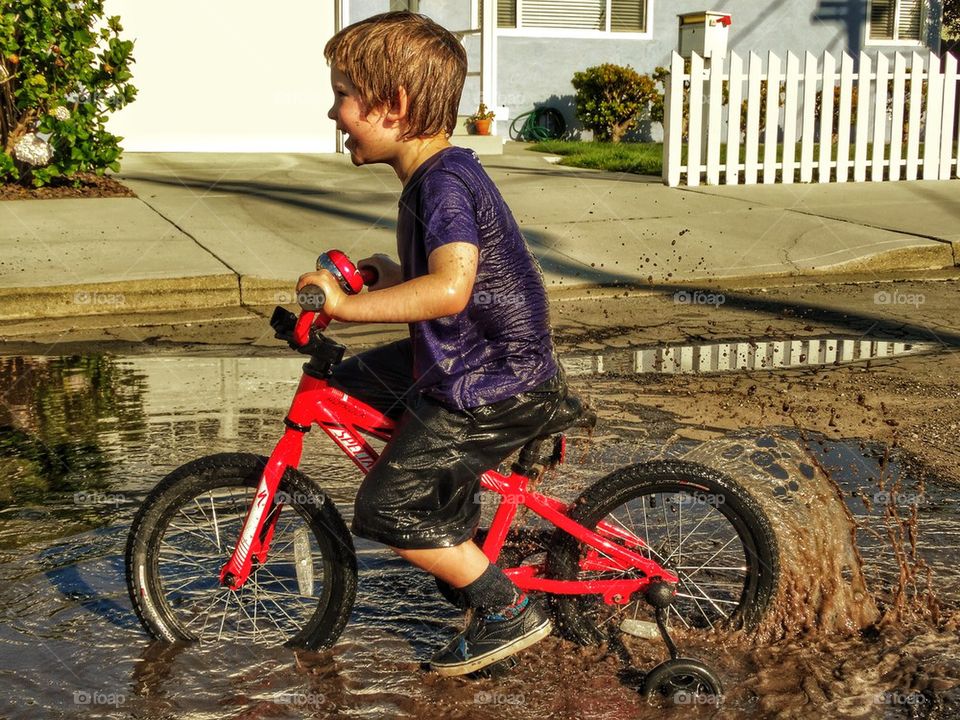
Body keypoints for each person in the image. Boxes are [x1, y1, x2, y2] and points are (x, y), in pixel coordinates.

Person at [296, 10, 577, 677]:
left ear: (392, 106)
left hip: (493, 381)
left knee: (386, 506)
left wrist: (348, 305)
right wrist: (380, 280)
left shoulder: (444, 184)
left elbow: (451, 289)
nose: (333, 112)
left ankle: (504, 607)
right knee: (352, 380)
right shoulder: (434, 177)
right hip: (473, 362)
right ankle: (454, 516)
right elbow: (442, 283)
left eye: (343, 94)